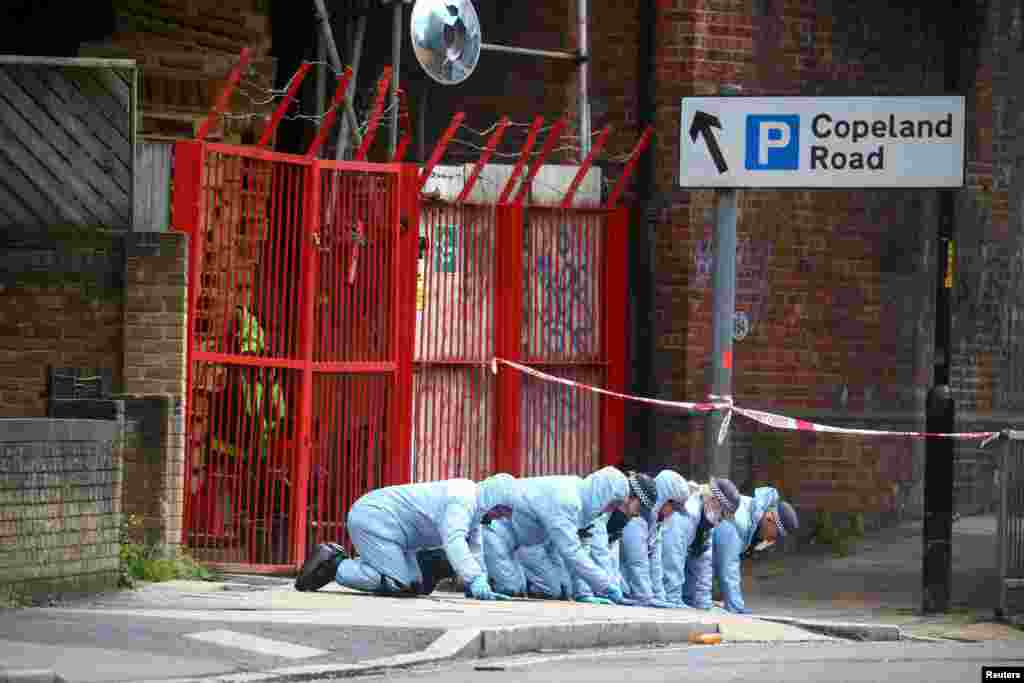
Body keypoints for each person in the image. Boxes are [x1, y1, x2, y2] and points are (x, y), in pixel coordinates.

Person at [295, 473, 519, 601]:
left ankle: (363, 565)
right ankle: (335, 564)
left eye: (505, 514)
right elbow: (454, 541)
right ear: (492, 498)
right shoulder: (462, 499)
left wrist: (479, 585)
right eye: (500, 510)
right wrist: (474, 579)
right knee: (397, 583)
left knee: (414, 585)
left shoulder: (475, 508)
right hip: (376, 518)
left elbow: (475, 548)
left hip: (392, 529)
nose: (500, 516)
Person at [482, 467, 651, 605]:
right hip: (498, 529)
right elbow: (571, 552)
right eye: (613, 504)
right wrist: (606, 586)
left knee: (559, 589)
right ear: (604, 494)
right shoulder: (568, 500)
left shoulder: (587, 507)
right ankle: (488, 576)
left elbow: (578, 549)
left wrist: (582, 593)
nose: (611, 509)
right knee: (511, 588)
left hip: (525, 541)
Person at [711, 487, 799, 614]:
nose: (772, 540)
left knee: (717, 593)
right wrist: (737, 609)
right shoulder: (739, 521)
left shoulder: (751, 511)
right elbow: (728, 568)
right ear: (770, 518)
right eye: (775, 535)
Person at [661, 477, 741, 610]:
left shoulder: (706, 524)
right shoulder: (684, 516)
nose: (720, 520)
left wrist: (704, 605)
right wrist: (673, 601)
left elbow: (704, 565)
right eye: (722, 513)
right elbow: (671, 560)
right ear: (712, 500)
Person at [617, 470, 691, 608]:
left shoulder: (656, 522)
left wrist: (661, 598)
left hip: (633, 591)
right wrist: (646, 597)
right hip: (623, 589)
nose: (673, 512)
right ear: (664, 498)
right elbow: (637, 562)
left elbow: (655, 564)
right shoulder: (637, 517)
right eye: (673, 507)